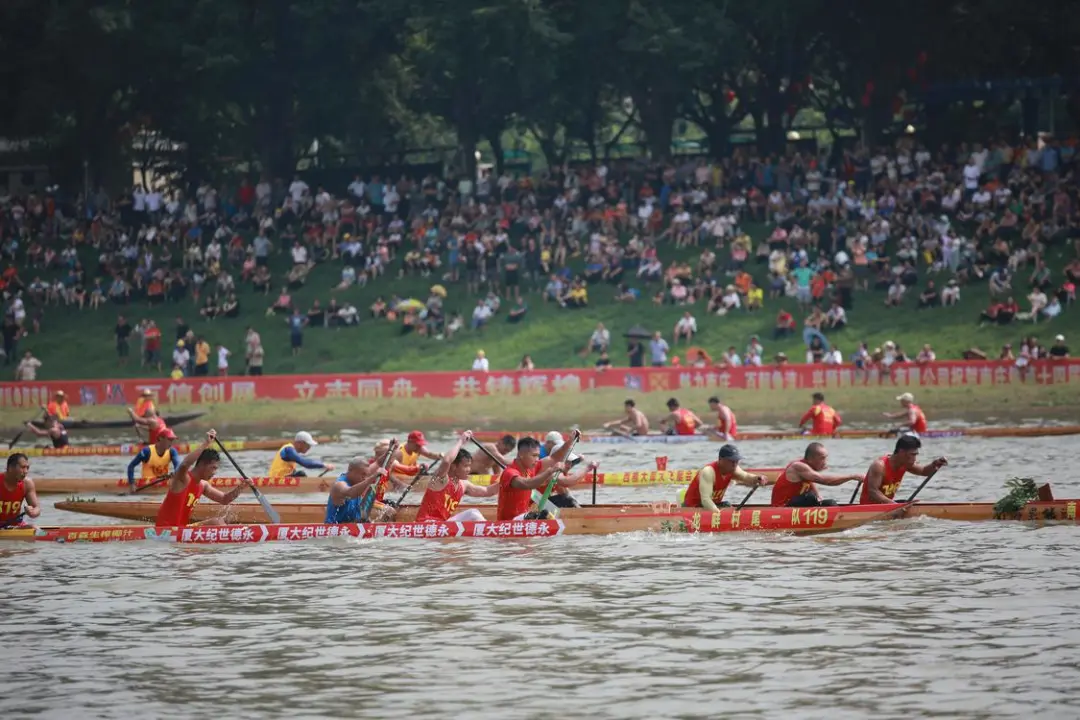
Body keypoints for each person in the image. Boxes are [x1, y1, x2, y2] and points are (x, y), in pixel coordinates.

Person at [155, 430, 253, 527]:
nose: (214, 473)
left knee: (218, 522)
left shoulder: (203, 485)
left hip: (183, 528)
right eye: (213, 468)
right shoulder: (183, 478)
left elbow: (224, 499)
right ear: (202, 464)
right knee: (217, 523)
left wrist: (241, 487)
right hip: (165, 530)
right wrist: (206, 443)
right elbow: (185, 464)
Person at [496, 433, 591, 520]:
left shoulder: (531, 468)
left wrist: (570, 440)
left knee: (565, 501)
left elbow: (555, 457)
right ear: (521, 455)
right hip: (509, 521)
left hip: (525, 515)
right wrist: (550, 471)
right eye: (534, 455)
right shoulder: (510, 472)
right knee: (546, 514)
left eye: (538, 456)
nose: (537, 459)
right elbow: (527, 484)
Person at [413, 430, 499, 523]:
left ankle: (490, 529)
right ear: (454, 466)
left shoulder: (464, 485)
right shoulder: (440, 479)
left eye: (469, 466)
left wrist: (506, 479)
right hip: (425, 523)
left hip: (442, 525)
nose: (469, 470)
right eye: (465, 466)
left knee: (473, 513)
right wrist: (461, 441)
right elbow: (446, 461)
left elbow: (488, 491)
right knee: (473, 514)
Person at [860, 435, 948, 504]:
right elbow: (873, 492)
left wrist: (935, 464)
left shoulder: (904, 464)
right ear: (901, 452)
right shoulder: (879, 466)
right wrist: (894, 505)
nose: (915, 459)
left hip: (888, 506)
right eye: (912, 454)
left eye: (916, 455)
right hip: (868, 509)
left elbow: (924, 471)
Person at [770, 442, 863, 507]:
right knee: (810, 497)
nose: (825, 462)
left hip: (795, 504)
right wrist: (852, 476)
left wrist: (819, 497)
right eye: (822, 458)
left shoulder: (807, 469)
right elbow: (825, 481)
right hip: (781, 508)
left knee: (830, 503)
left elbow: (811, 482)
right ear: (811, 459)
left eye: (826, 458)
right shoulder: (798, 466)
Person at [682, 444, 768, 511]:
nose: (734, 464)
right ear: (720, 459)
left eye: (736, 461)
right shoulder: (708, 472)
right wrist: (719, 516)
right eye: (731, 461)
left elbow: (746, 477)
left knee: (727, 505)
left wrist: (758, 478)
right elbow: (706, 500)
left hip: (712, 506)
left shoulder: (733, 469)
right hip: (692, 508)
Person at [324, 456, 389, 524]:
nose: (365, 478)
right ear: (350, 470)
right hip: (335, 527)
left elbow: (378, 462)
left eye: (367, 475)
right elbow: (351, 493)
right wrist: (372, 477)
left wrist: (391, 450)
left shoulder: (357, 482)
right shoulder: (339, 485)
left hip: (353, 525)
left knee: (389, 511)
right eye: (363, 474)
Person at [267, 431, 335, 477]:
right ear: (299, 444)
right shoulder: (288, 450)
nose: (309, 447)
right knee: (301, 474)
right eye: (308, 445)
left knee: (298, 474)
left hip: (283, 479)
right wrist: (324, 465)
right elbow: (305, 463)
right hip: (275, 481)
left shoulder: (292, 452)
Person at [0, 453, 40, 526]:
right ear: (10, 468)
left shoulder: (27, 484)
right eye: (23, 467)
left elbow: (37, 508)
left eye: (27, 468)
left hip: (15, 526)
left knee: (33, 527)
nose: (26, 471)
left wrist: (32, 512)